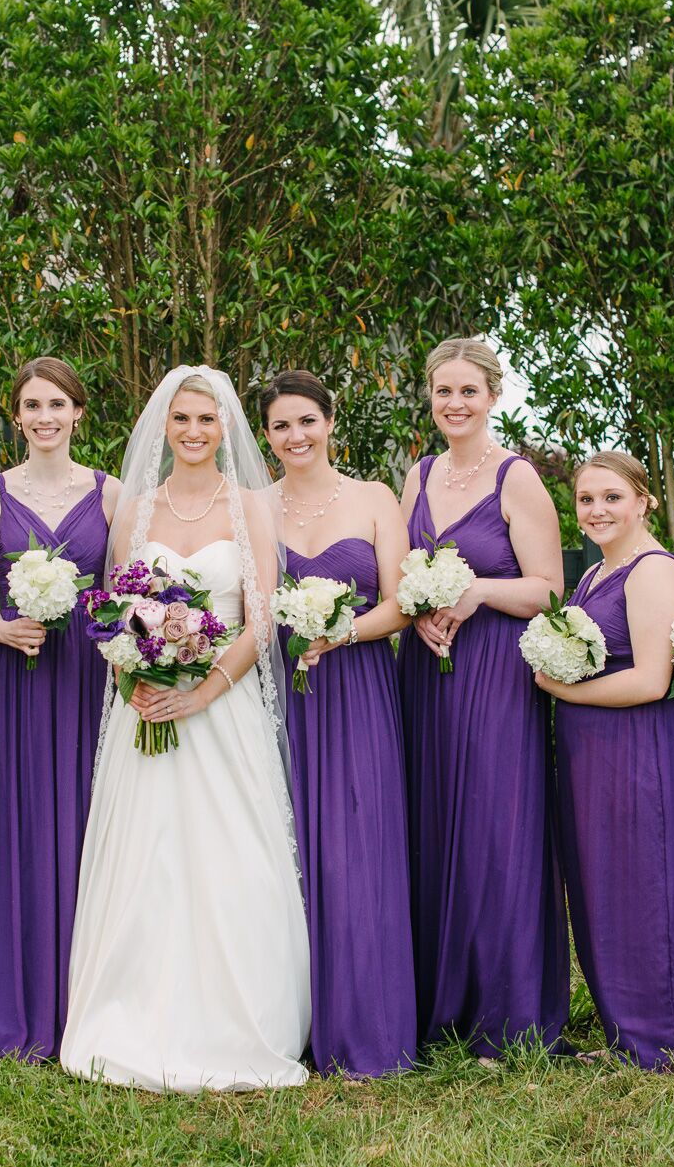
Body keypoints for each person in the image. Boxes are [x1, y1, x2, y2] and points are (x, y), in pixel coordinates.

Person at [59, 365, 310, 1092]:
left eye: (206, 419)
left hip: (223, 708)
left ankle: (239, 1019)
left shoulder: (253, 507)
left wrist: (202, 690)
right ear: (163, 428)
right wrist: (135, 673)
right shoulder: (134, 508)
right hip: (145, 711)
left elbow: (261, 615)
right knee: (147, 859)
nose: (194, 431)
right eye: (181, 420)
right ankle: (132, 1015)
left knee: (232, 856)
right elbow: (111, 610)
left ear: (224, 426)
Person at [398, 336, 570, 1054]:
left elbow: (548, 587)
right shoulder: (418, 474)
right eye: (444, 391)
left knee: (495, 827)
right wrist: (419, 608)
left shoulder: (517, 478)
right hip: (425, 666)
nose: (455, 403)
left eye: (469, 391)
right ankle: (438, 999)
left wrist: (474, 594)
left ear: (494, 395)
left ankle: (505, 1005)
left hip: (496, 672)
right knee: (431, 818)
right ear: (430, 397)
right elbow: (402, 568)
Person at [537, 451, 674, 1072]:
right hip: (591, 751)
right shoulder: (598, 573)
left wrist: (562, 689)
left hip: (639, 750)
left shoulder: (652, 573)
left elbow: (652, 680)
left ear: (645, 500)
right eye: (586, 500)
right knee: (604, 887)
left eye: (612, 497)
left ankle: (670, 1039)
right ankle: (630, 1029)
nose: (597, 510)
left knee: (647, 885)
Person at [259, 369, 416, 1076]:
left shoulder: (375, 497)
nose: (296, 436)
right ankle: (288, 1019)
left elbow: (401, 602)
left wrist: (341, 632)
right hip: (280, 695)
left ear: (330, 422)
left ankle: (367, 1025)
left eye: (306, 421)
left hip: (358, 688)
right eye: (281, 426)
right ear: (265, 436)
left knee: (360, 841)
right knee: (284, 847)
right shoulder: (255, 506)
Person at [0, 358, 117, 1059]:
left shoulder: (112, 493)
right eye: (32, 404)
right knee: (18, 829)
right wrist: (2, 626)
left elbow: (121, 593)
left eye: (58, 402)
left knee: (91, 828)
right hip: (18, 677)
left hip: (87, 678)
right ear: (16, 415)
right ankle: (15, 1007)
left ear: (78, 412)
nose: (45, 415)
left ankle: (88, 1003)